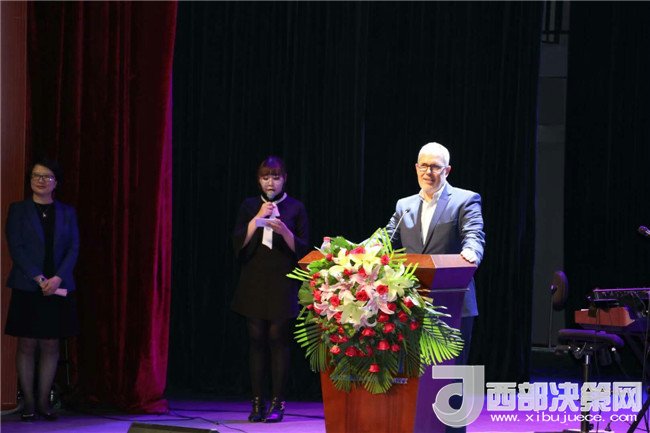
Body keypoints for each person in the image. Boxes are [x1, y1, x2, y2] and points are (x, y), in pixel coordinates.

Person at [385, 142, 485, 433]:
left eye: (435, 167)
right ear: (416, 168)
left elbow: (474, 235)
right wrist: (357, 255)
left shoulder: (465, 200)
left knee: (451, 381)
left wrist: (471, 253)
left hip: (453, 305)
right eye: (424, 166)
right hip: (411, 306)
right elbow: (385, 239)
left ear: (447, 170)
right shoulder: (404, 205)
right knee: (413, 378)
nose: (428, 172)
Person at [231, 156, 309, 423]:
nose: (270, 183)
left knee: (278, 338)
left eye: (275, 177)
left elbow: (303, 251)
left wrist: (284, 230)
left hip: (282, 281)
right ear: (259, 180)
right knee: (256, 340)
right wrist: (257, 219)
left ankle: (278, 402)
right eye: (265, 177)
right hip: (254, 280)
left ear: (284, 179)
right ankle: (257, 402)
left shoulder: (295, 207)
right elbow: (238, 245)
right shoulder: (249, 206)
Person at [4, 159, 80, 422]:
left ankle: (43, 402)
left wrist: (58, 278)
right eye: (36, 176)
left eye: (47, 176)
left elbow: (74, 248)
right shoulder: (18, 210)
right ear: (30, 180)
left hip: (58, 287)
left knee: (50, 344)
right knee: (26, 344)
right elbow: (16, 247)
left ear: (56, 182)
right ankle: (28, 403)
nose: (41, 180)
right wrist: (39, 278)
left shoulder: (67, 212)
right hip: (28, 286)